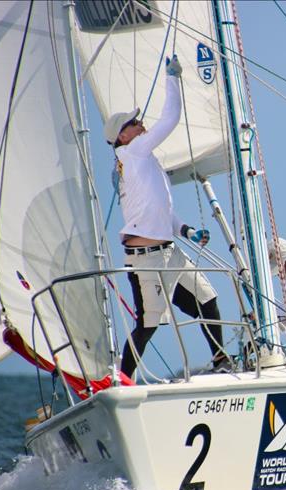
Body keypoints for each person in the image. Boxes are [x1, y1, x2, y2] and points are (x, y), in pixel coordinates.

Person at [103, 55, 228, 378]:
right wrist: (173, 79)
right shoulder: (135, 152)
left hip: (170, 253)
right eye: (134, 123)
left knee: (207, 298)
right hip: (146, 261)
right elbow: (170, 119)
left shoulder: (139, 160)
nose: (140, 124)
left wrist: (187, 232)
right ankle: (123, 379)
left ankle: (220, 358)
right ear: (124, 136)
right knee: (148, 325)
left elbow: (160, 214)